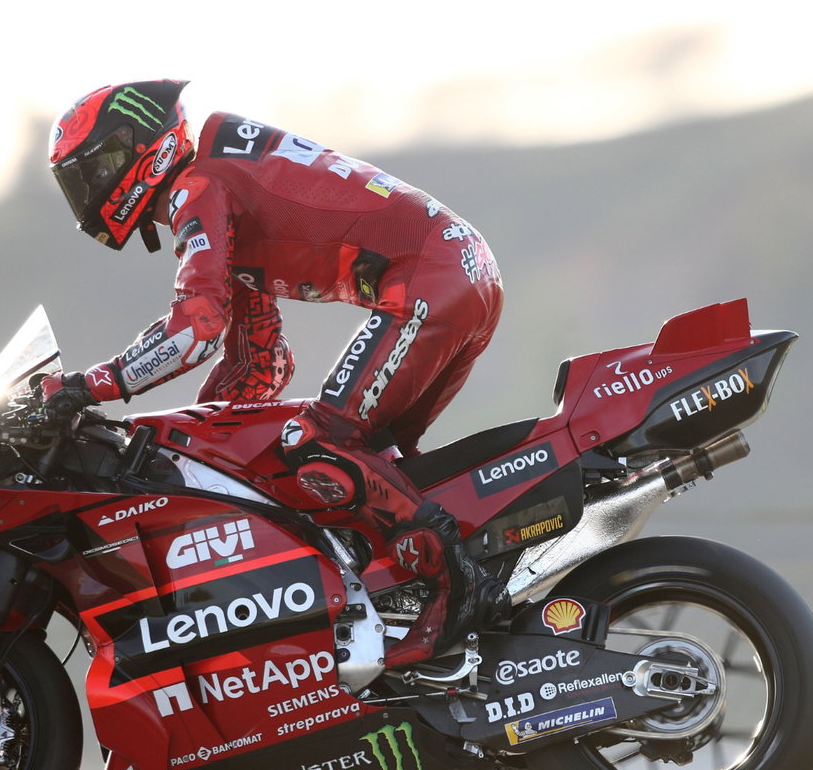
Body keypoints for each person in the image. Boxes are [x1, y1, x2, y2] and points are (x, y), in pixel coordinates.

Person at [40, 79, 507, 665]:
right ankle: (445, 587)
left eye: (95, 168)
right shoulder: (219, 174)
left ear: (140, 147)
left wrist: (87, 387)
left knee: (313, 441)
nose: (89, 190)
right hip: (460, 271)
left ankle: (460, 586)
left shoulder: (197, 187)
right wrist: (198, 448)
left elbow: (196, 329)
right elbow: (260, 363)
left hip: (431, 281)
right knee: (377, 464)